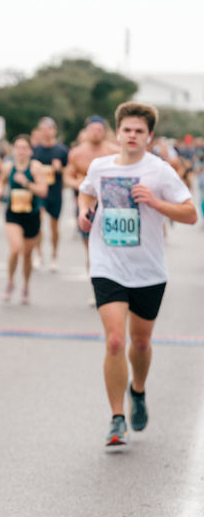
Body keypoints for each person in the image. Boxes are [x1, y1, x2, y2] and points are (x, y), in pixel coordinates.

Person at [76, 102, 197, 447]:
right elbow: (86, 191)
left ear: (149, 136)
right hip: (107, 265)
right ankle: (117, 419)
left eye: (139, 131)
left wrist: (157, 203)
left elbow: (190, 214)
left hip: (148, 270)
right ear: (118, 132)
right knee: (115, 340)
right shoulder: (100, 167)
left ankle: (138, 390)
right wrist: (84, 214)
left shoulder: (159, 171)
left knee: (141, 342)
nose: (132, 136)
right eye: (127, 130)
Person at [0, 136, 49, 304]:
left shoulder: (35, 168)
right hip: (13, 213)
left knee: (27, 254)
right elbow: (0, 182)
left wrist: (26, 183)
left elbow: (43, 191)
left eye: (24, 147)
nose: (20, 151)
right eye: (18, 147)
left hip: (31, 213)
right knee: (16, 249)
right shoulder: (8, 166)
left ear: (30, 151)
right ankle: (10, 281)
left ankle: (25, 285)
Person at [65, 116, 121, 268]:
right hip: (86, 203)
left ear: (104, 132)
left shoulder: (114, 151)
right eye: (92, 129)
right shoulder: (77, 153)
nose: (96, 133)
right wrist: (79, 184)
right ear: (86, 131)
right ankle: (94, 276)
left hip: (110, 204)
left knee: (111, 247)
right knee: (90, 247)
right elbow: (67, 176)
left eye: (99, 130)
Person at [32, 117, 69, 271]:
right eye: (42, 129)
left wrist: (60, 168)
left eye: (48, 128)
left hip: (55, 191)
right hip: (40, 192)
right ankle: (39, 254)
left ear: (54, 130)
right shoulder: (35, 150)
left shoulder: (62, 150)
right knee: (38, 222)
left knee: (54, 226)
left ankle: (54, 255)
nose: (45, 132)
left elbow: (69, 171)